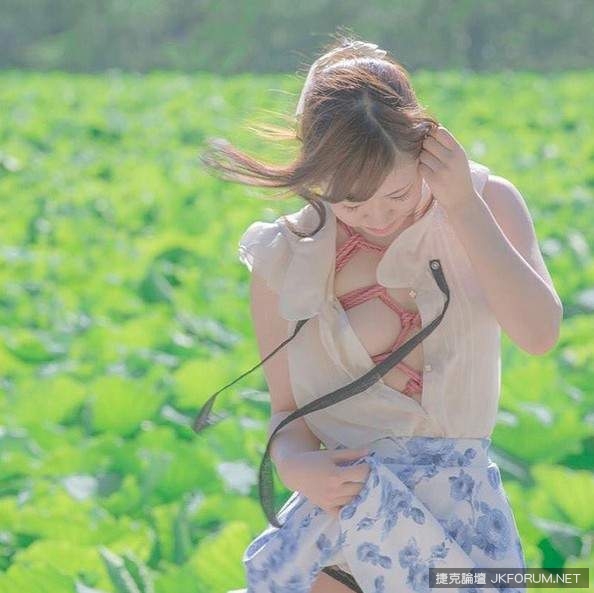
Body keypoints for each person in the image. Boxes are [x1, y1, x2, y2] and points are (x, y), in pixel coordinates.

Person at [198, 33, 562, 593]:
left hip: (462, 517)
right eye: (351, 202)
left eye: (397, 194)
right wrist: (295, 466)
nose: (377, 217)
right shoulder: (283, 256)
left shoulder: (486, 203)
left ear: (427, 147)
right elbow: (286, 416)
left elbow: (539, 334)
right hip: (339, 522)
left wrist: (463, 206)